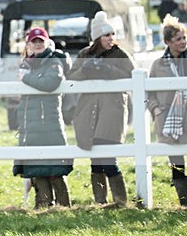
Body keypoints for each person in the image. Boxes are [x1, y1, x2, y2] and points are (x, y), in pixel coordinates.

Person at [68, 11, 135, 206]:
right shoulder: (84, 54)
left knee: (107, 156)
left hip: (112, 110)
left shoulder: (120, 54)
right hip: (89, 111)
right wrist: (85, 69)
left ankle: (120, 201)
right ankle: (100, 201)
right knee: (95, 159)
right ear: (97, 37)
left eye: (112, 34)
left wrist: (109, 70)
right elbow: (71, 78)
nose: (111, 38)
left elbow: (133, 77)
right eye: (107, 35)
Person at [12, 27, 73, 209]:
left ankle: (63, 207)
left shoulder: (54, 61)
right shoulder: (28, 63)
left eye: (41, 41)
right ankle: (44, 206)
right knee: (37, 169)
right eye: (34, 41)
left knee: (54, 169)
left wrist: (26, 78)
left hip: (48, 122)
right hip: (31, 124)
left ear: (47, 42)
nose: (37, 44)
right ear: (29, 44)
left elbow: (50, 83)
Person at [147, 15, 187, 206]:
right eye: (179, 39)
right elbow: (149, 93)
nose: (183, 42)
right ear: (168, 42)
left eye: (184, 37)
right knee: (176, 162)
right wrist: (155, 110)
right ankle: (184, 201)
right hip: (168, 121)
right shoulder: (158, 65)